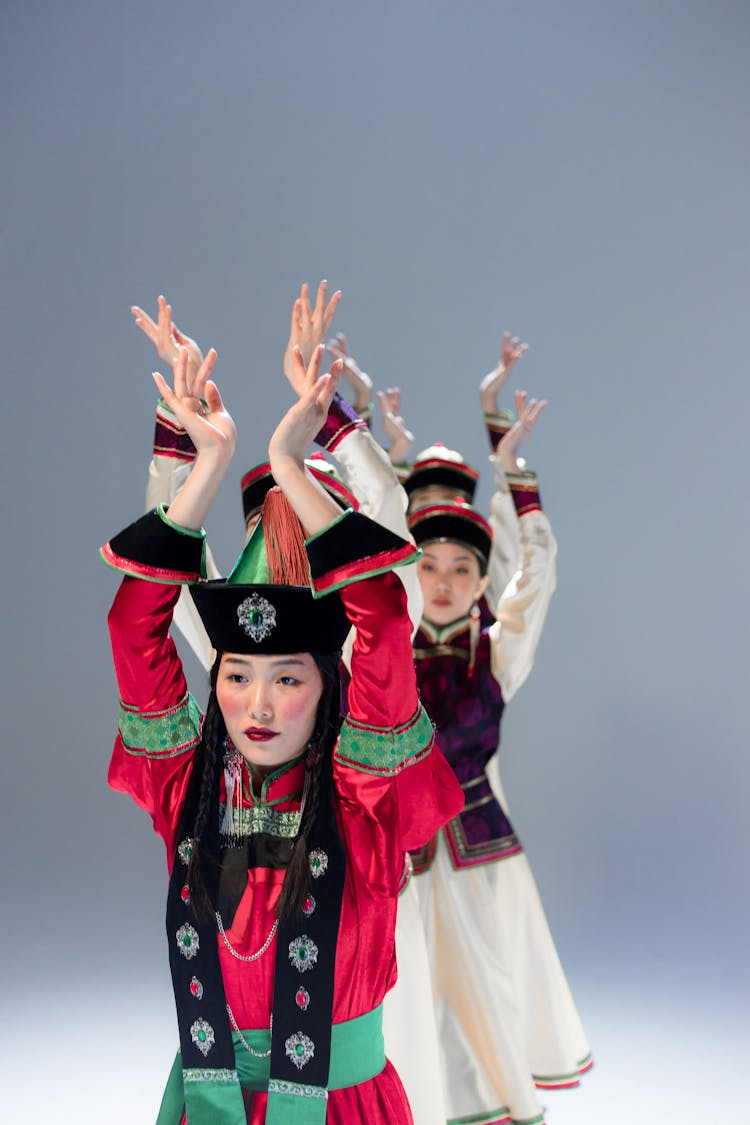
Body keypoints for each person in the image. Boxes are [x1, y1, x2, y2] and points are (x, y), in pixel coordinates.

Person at [101, 343, 464, 1124]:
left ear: (328, 684)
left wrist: (287, 465)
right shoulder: (188, 789)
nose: (257, 704)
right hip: (210, 1101)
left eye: (288, 678)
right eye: (236, 675)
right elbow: (134, 626)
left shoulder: (367, 797)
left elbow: (385, 618)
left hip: (342, 1106)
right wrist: (210, 462)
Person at [407, 395, 592, 1125]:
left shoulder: (497, 651)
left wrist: (518, 478)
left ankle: (494, 1104)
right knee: (407, 986)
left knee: (491, 983)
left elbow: (536, 573)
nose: (445, 581)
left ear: (484, 581)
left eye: (462, 568)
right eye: (427, 565)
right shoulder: (376, 655)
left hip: (482, 852)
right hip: (403, 855)